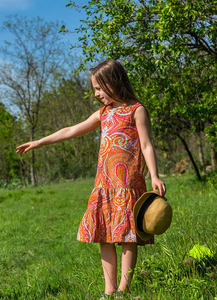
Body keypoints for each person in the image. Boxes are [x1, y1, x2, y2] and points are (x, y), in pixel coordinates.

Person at [16, 60, 166, 299]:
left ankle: (123, 290)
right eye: (94, 89)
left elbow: (147, 145)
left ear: (114, 82)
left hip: (128, 185)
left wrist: (155, 175)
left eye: (99, 88)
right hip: (104, 186)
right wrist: (39, 142)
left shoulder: (136, 110)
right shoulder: (103, 113)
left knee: (128, 237)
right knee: (104, 236)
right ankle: (109, 291)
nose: (96, 94)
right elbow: (70, 130)